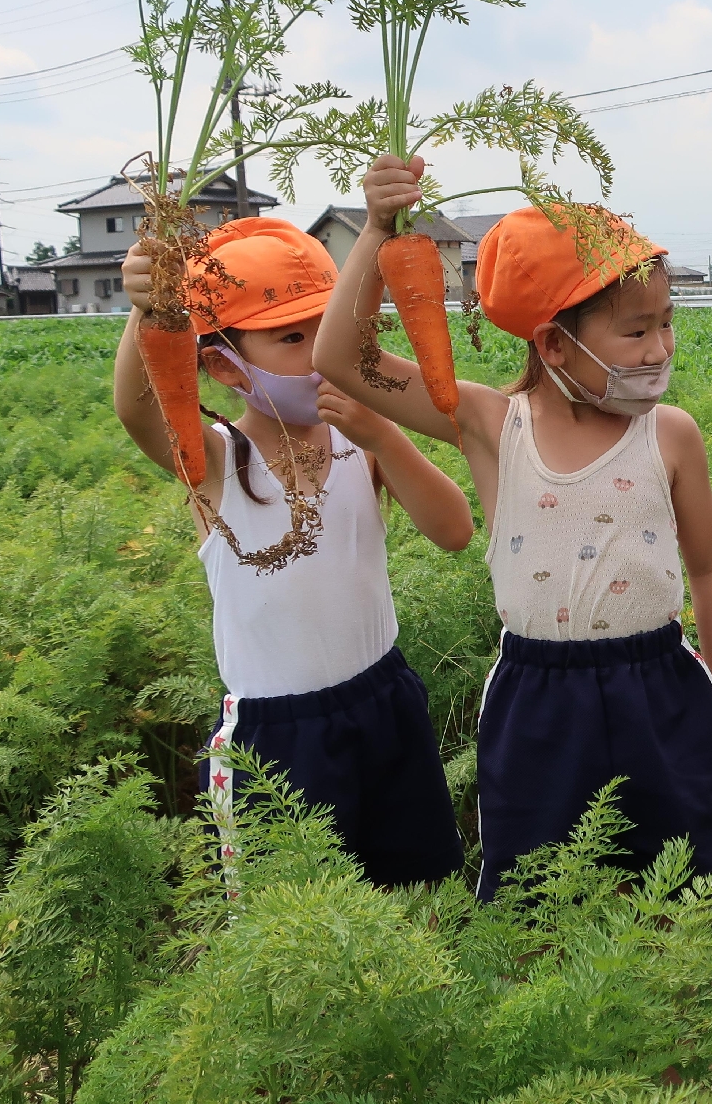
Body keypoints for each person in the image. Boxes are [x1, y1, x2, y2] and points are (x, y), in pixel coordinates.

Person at [313, 158, 712, 901]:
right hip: (538, 699)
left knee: (682, 889)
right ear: (552, 345)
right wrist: (380, 228)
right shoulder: (489, 423)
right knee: (536, 899)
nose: (661, 348)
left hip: (663, 688)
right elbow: (342, 360)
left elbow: (709, 568)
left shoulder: (670, 435)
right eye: (637, 329)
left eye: (667, 323)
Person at [113, 217, 473, 887]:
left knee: (419, 892)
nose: (318, 353)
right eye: (290, 338)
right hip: (276, 741)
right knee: (295, 926)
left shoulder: (361, 441)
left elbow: (454, 530)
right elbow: (139, 410)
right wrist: (148, 311)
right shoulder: (218, 461)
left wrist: (385, 437)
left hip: (385, 700)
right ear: (224, 364)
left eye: (325, 330)